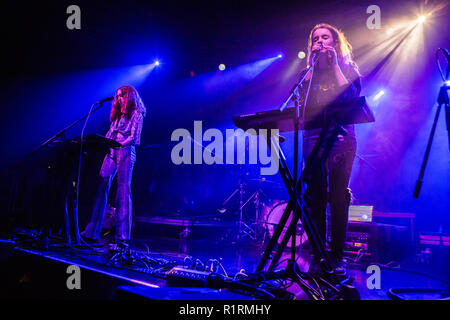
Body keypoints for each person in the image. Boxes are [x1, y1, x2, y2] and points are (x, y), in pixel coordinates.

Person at [298, 23, 361, 275]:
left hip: (342, 137)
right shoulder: (308, 74)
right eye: (316, 39)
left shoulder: (347, 68)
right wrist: (314, 66)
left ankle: (336, 256)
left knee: (337, 197)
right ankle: (318, 254)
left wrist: (334, 64)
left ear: (335, 43)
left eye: (326, 37)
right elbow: (304, 104)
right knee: (315, 197)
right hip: (313, 136)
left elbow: (352, 98)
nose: (320, 42)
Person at [82, 85, 146, 248]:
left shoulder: (137, 113)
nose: (119, 99)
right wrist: (103, 142)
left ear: (129, 96)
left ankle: (123, 235)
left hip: (125, 150)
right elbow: (110, 133)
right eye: (117, 96)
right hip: (112, 150)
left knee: (123, 191)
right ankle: (91, 231)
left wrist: (117, 144)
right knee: (102, 185)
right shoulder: (117, 115)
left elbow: (134, 137)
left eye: (121, 96)